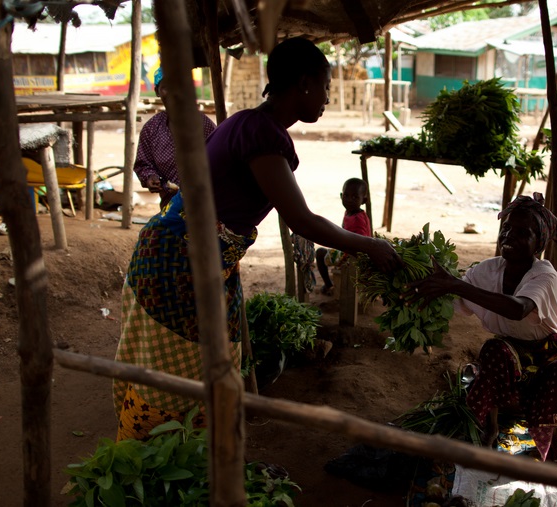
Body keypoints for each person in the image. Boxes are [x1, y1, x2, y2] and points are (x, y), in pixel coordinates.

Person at [114, 37, 401, 441]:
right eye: (325, 86)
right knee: (179, 378)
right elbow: (301, 220)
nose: (327, 97)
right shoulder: (260, 132)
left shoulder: (248, 124)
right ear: (303, 84)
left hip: (189, 259)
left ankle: (192, 469)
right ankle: (154, 473)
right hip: (179, 266)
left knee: (202, 371)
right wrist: (371, 245)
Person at [403, 193, 557, 460]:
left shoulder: (544, 274)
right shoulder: (487, 271)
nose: (509, 236)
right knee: (493, 349)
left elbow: (518, 308)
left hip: (546, 352)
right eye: (506, 229)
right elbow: (454, 298)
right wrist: (418, 285)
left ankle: (554, 439)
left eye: (522, 232)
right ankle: (490, 429)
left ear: (538, 243)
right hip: (508, 351)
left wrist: (456, 284)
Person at [133, 66, 216, 210]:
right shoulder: (151, 129)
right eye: (166, 88)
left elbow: (220, 158)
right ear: (157, 92)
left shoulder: (202, 124)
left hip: (207, 205)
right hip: (171, 206)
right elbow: (143, 164)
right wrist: (150, 177)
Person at [315, 177, 372, 295]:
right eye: (346, 196)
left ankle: (328, 284)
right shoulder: (350, 212)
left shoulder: (358, 218)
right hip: (347, 251)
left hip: (353, 256)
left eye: (355, 197)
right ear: (341, 196)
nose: (349, 200)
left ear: (364, 200)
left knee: (320, 253)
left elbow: (361, 241)